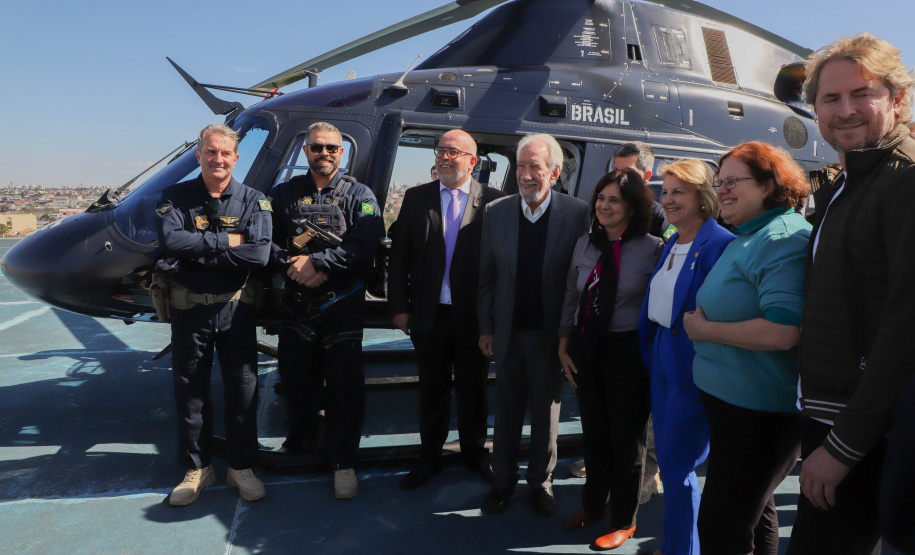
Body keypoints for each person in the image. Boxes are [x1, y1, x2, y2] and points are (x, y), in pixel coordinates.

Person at [787, 33, 915, 555]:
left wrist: (843, 446)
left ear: (898, 99)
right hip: (838, 417)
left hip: (866, 433)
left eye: (862, 93)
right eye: (830, 99)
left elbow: (907, 325)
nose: (846, 110)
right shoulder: (851, 180)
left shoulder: (904, 180)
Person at [683, 141, 810, 555]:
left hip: (759, 418)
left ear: (771, 184)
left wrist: (704, 330)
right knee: (758, 511)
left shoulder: (783, 237)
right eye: (720, 182)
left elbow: (783, 331)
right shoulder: (748, 233)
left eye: (734, 181)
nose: (722, 190)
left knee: (721, 524)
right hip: (735, 412)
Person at [155, 124, 272, 506]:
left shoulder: (255, 200)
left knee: (243, 389)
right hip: (191, 310)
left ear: (236, 158)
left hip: (236, 309)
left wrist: (201, 248)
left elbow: (259, 253)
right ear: (199, 155)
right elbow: (171, 240)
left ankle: (241, 467)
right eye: (211, 152)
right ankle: (198, 467)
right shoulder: (175, 197)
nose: (218, 159)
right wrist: (228, 241)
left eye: (225, 153)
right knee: (190, 391)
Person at [269, 121, 384, 499]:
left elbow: (366, 246)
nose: (325, 154)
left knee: (344, 390)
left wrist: (318, 264)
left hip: (342, 309)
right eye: (317, 147)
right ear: (305, 151)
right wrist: (293, 264)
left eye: (332, 148)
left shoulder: (360, 195)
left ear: (342, 152)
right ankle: (299, 443)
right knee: (297, 383)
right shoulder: (283, 195)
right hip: (297, 307)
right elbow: (264, 242)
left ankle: (343, 462)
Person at [477, 133, 590, 516]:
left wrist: (569, 336)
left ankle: (541, 484)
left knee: (546, 419)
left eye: (535, 167)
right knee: (506, 416)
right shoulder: (497, 212)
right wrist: (486, 329)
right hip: (508, 335)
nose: (525, 175)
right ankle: (502, 482)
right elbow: (487, 277)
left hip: (550, 339)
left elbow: (580, 281)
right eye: (521, 165)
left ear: (554, 173)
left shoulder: (577, 214)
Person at [388, 130, 505, 489]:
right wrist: (399, 307)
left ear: (473, 161)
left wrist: (495, 319)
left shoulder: (496, 203)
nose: (444, 156)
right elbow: (399, 258)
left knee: (474, 390)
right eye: (440, 150)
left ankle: (475, 455)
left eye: (453, 151)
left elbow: (501, 266)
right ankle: (429, 459)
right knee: (432, 390)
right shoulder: (416, 198)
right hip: (429, 315)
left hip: (473, 318)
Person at [558, 169, 664, 550]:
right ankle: (593, 506)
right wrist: (563, 341)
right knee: (595, 436)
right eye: (600, 198)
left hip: (629, 352)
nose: (604, 205)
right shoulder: (585, 245)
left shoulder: (653, 248)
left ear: (632, 206)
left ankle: (624, 520)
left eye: (613, 200)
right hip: (589, 347)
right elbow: (573, 295)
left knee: (627, 441)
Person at [637, 160, 734, 555]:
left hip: (691, 363)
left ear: (702, 196)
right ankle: (675, 543)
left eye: (679, 191)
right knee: (671, 462)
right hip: (661, 357)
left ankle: (683, 549)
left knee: (678, 467)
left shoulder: (719, 244)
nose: (668, 199)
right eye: (665, 191)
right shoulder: (673, 236)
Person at [613, 142, 672, 240]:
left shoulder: (659, 217)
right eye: (616, 170)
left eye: (627, 172)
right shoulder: (605, 208)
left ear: (647, 176)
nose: (619, 176)